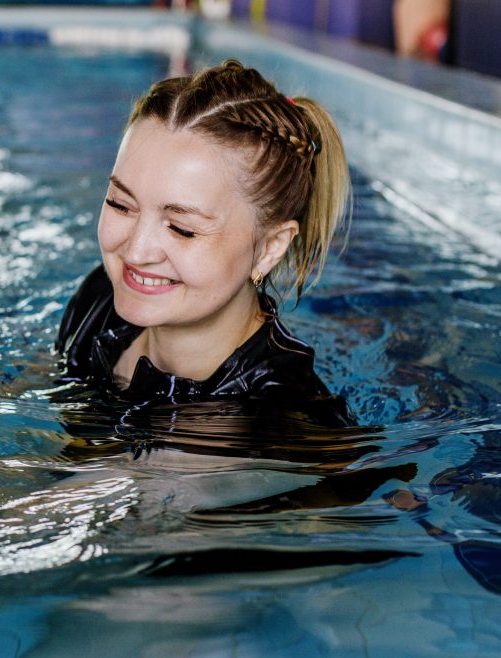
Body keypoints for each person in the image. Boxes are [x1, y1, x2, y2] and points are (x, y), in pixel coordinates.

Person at [56, 59, 354, 431]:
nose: (135, 252)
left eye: (182, 229)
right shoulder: (100, 298)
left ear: (270, 249)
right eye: (120, 204)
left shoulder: (281, 419)